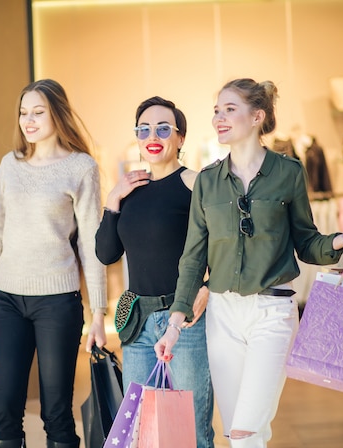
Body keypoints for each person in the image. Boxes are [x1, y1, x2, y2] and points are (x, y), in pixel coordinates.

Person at [154, 78, 343, 448]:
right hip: (222, 317)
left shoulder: (288, 172)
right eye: (216, 111)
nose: (218, 119)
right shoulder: (207, 182)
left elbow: (306, 243)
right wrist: (175, 325)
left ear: (257, 116)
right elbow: (193, 259)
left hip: (273, 313)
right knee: (239, 436)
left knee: (247, 428)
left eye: (229, 110)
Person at [0, 79, 107, 448]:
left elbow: (92, 245)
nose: (28, 121)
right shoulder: (9, 165)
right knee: (3, 413)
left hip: (58, 303)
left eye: (38, 112)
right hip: (9, 301)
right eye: (23, 112)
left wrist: (98, 314)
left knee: (56, 413)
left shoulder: (80, 167)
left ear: (57, 114)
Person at [95, 96, 215, 448]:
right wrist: (112, 200)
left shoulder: (196, 184)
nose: (153, 135)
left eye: (164, 128)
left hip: (186, 321)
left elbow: (223, 248)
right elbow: (106, 253)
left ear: (180, 137)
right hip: (138, 324)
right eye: (144, 129)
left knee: (192, 429)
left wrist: (207, 286)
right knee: (144, 431)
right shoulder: (131, 190)